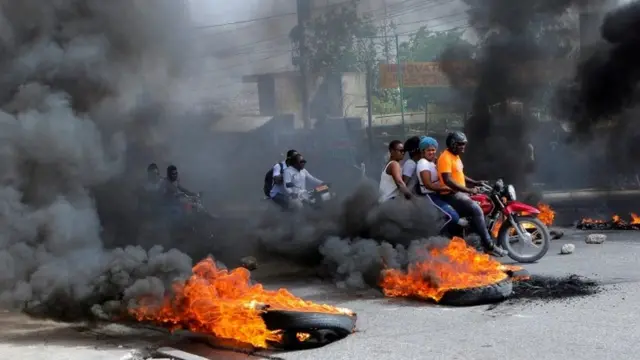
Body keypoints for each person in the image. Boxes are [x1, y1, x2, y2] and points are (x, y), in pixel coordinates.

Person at [437, 131, 508, 257]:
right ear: (453, 144)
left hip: (460, 193)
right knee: (476, 210)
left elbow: (460, 175)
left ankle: (478, 239)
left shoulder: (455, 157)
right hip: (451, 195)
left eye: (464, 144)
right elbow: (448, 180)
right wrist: (468, 190)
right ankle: (489, 246)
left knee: (482, 203)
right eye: (461, 144)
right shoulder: (445, 157)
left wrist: (475, 182)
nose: (463, 146)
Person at [414, 137, 467, 235]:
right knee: (453, 217)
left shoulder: (432, 162)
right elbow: (428, 185)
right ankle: (438, 237)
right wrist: (446, 188)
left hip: (438, 194)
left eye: (433, 150)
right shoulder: (423, 163)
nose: (432, 152)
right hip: (429, 196)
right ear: (423, 151)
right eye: (429, 150)